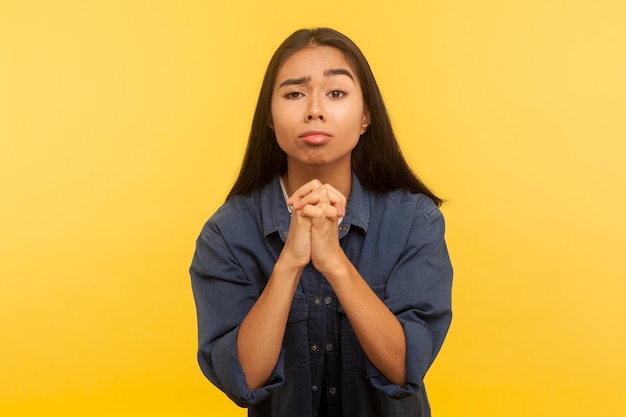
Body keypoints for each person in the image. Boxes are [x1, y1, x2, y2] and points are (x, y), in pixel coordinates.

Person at [190, 27, 453, 417]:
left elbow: (404, 368)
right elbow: (244, 378)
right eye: (295, 93)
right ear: (269, 116)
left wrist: (334, 262)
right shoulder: (226, 235)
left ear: (365, 117)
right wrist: (290, 262)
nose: (314, 109)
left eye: (336, 93)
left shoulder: (415, 221)